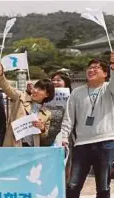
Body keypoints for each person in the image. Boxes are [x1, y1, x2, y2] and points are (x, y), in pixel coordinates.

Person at [61, 56, 114, 198]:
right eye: (89, 68)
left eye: (96, 68)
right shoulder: (77, 92)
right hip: (82, 144)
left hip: (106, 142)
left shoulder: (109, 89)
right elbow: (69, 117)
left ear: (105, 73)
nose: (91, 70)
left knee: (103, 187)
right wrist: (64, 136)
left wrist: (113, 66)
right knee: (72, 185)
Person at [0, 62, 55, 147]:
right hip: (14, 145)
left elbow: (44, 137)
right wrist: (0, 75)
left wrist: (42, 128)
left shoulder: (47, 113)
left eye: (41, 89)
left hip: (32, 149)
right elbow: (7, 88)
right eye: (36, 87)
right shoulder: (20, 97)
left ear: (47, 94)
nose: (36, 90)